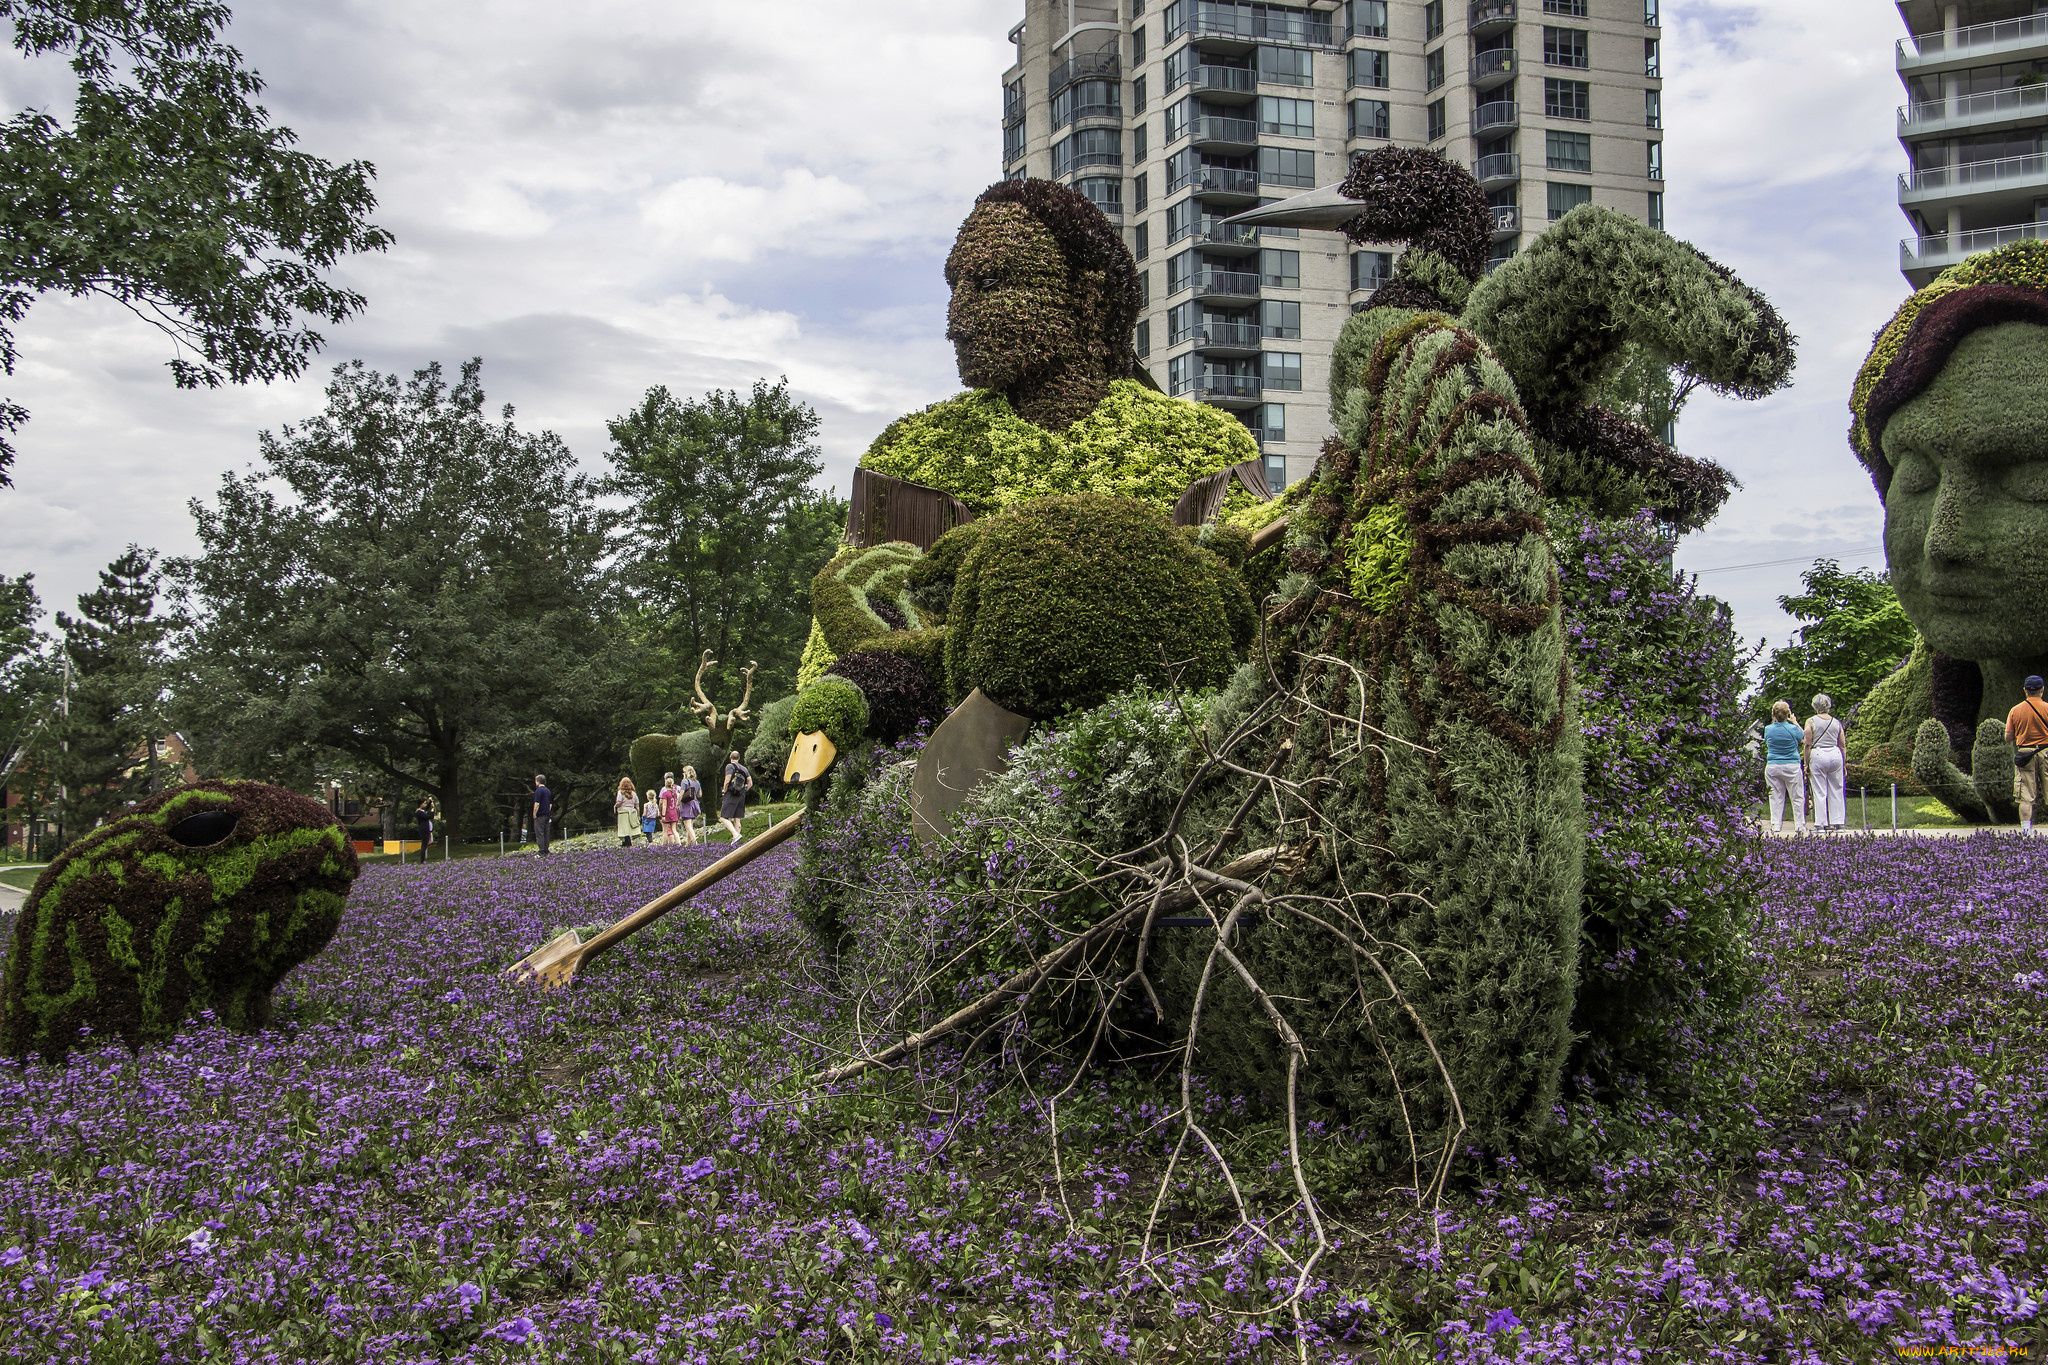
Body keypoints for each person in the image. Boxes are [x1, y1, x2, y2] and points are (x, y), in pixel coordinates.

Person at [2005, 674, 2048, 834]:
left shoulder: (2015, 710)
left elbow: (2008, 737)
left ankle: (2026, 835)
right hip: (2046, 752)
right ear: (2042, 690)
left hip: (2025, 754)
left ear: (2025, 690)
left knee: (2025, 797)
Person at [1803, 694, 1848, 830]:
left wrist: (1806, 764)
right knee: (1837, 788)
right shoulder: (1836, 722)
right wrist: (1844, 764)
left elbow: (1807, 744)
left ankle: (1821, 823)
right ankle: (1838, 822)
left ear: (1814, 706)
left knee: (1819, 790)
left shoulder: (1811, 721)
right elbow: (1842, 745)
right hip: (1835, 754)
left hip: (1818, 754)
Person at [1763, 701, 1805, 834]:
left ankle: (1776, 824)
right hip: (1792, 765)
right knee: (1797, 796)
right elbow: (1804, 738)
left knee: (1775, 796)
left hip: (1773, 765)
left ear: (1773, 714)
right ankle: (1799, 825)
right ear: (1788, 714)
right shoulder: (1793, 729)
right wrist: (1795, 722)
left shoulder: (1768, 729)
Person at [719, 749, 750, 843]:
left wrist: (725, 791)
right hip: (740, 795)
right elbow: (750, 782)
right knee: (737, 818)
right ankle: (737, 842)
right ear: (739, 758)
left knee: (723, 818)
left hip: (731, 794)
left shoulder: (730, 766)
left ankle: (735, 835)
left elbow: (727, 780)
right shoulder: (744, 769)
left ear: (730, 757)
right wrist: (743, 791)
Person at [677, 765, 703, 845]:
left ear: (686, 773)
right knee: (690, 825)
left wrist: (678, 804)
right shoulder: (697, 782)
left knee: (687, 826)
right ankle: (688, 844)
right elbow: (700, 794)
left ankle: (695, 842)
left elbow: (681, 794)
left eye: (683, 772)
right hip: (694, 804)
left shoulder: (684, 781)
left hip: (686, 805)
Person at [613, 777, 638, 848]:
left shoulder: (620, 793)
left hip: (623, 813)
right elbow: (637, 805)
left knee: (624, 829)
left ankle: (629, 844)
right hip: (632, 812)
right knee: (630, 829)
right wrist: (638, 814)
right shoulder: (633, 793)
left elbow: (619, 802)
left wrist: (615, 806)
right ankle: (624, 843)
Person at [658, 773, 682, 845]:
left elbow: (664, 804)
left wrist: (663, 815)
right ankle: (678, 843)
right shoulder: (674, 793)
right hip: (674, 812)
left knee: (665, 831)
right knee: (674, 830)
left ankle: (665, 845)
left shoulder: (665, 793)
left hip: (667, 813)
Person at [531, 775, 552, 856]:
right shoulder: (548, 791)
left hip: (540, 815)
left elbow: (537, 804)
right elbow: (550, 804)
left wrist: (534, 813)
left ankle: (541, 851)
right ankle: (546, 850)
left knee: (539, 833)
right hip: (547, 815)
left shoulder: (538, 791)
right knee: (546, 833)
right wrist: (547, 812)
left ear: (538, 782)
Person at [413, 797, 433, 863]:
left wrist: (430, 801)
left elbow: (427, 807)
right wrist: (432, 810)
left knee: (425, 844)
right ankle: (422, 860)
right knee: (424, 845)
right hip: (424, 829)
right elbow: (429, 816)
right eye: (424, 803)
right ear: (421, 804)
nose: (425, 804)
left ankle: (423, 860)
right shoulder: (419, 812)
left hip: (425, 829)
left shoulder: (422, 811)